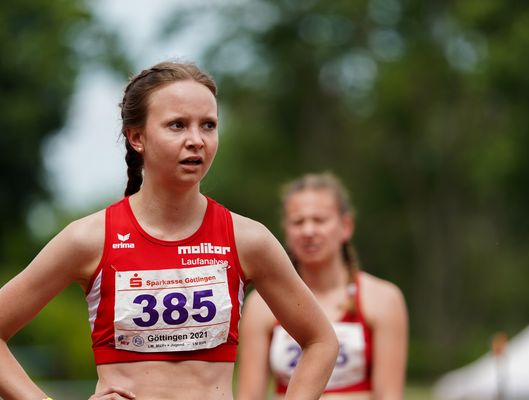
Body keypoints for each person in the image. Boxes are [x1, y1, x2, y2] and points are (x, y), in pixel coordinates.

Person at [0, 61, 338, 400]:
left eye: (208, 125)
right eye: (177, 125)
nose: (196, 140)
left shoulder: (248, 239)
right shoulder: (89, 238)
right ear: (137, 137)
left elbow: (321, 341)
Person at [237, 172, 409, 400]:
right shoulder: (261, 305)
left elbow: (389, 395)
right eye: (298, 222)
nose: (308, 231)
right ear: (286, 231)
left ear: (346, 226)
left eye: (319, 220)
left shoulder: (383, 299)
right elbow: (249, 396)